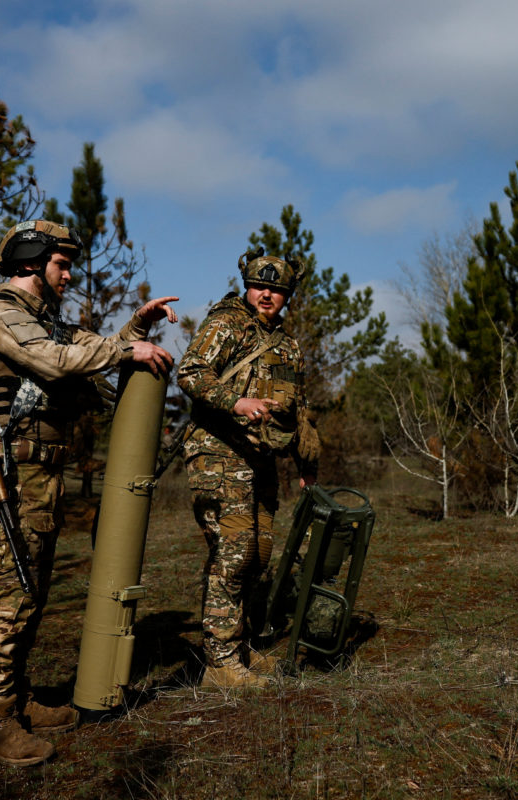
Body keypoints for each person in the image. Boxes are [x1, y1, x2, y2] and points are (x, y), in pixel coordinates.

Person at [0, 219, 176, 765]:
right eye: (62, 263)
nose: (70, 272)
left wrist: (135, 327)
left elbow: (88, 345)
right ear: (32, 262)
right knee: (7, 599)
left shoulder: (44, 320)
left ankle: (17, 699)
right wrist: (124, 352)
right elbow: (55, 360)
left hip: (38, 481)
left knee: (29, 594)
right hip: (8, 479)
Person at [177, 249, 320, 689]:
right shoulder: (227, 324)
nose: (266, 295)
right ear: (247, 286)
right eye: (261, 286)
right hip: (218, 452)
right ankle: (219, 662)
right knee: (235, 550)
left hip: (259, 460)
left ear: (288, 296)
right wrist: (236, 401)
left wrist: (306, 460)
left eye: (277, 290)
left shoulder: (287, 344)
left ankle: (238, 647)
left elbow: (298, 408)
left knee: (257, 556)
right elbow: (191, 372)